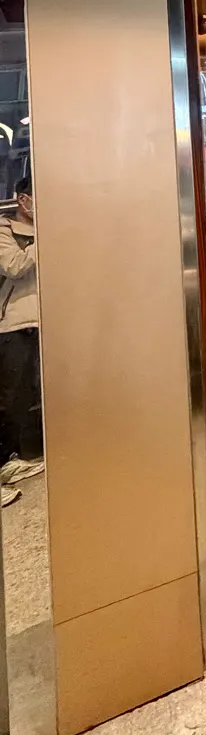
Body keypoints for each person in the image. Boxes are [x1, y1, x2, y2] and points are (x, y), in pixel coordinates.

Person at [0, 173, 43, 504]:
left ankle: (22, 455)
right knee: (12, 395)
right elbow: (14, 266)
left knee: (34, 392)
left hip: (45, 320)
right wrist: (47, 237)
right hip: (15, 323)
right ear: (22, 199)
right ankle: (6, 460)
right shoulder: (4, 230)